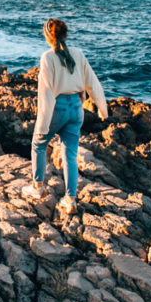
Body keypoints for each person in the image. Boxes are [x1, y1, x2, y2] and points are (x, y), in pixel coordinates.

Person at [23, 18, 108, 216]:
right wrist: (103, 110)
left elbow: (46, 93)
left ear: (47, 35)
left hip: (58, 108)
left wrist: (43, 123)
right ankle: (70, 200)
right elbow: (93, 83)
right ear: (65, 34)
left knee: (39, 143)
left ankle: (37, 187)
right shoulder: (77, 54)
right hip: (77, 109)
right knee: (69, 154)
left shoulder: (48, 57)